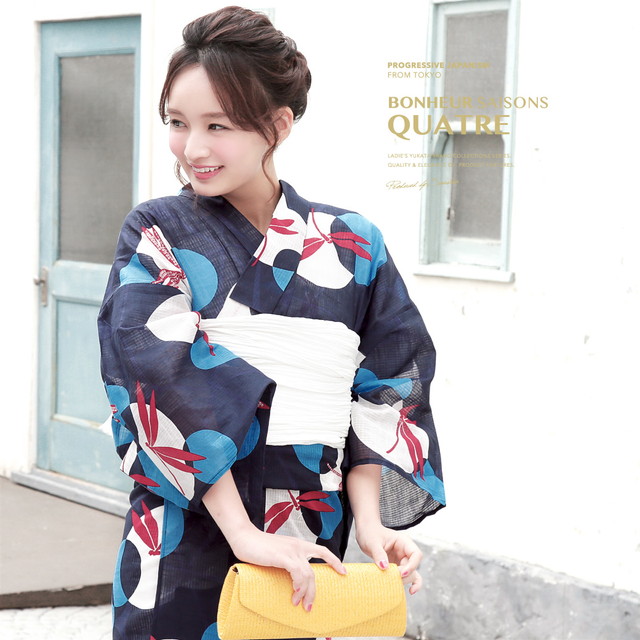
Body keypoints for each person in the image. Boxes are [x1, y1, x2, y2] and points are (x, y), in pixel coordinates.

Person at [98, 6, 445, 640]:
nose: (193, 148)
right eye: (177, 123)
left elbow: (388, 383)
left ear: (277, 126)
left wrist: (370, 524)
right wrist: (242, 532)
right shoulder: (157, 230)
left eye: (218, 125)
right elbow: (158, 374)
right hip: (189, 523)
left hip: (311, 516)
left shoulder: (355, 244)